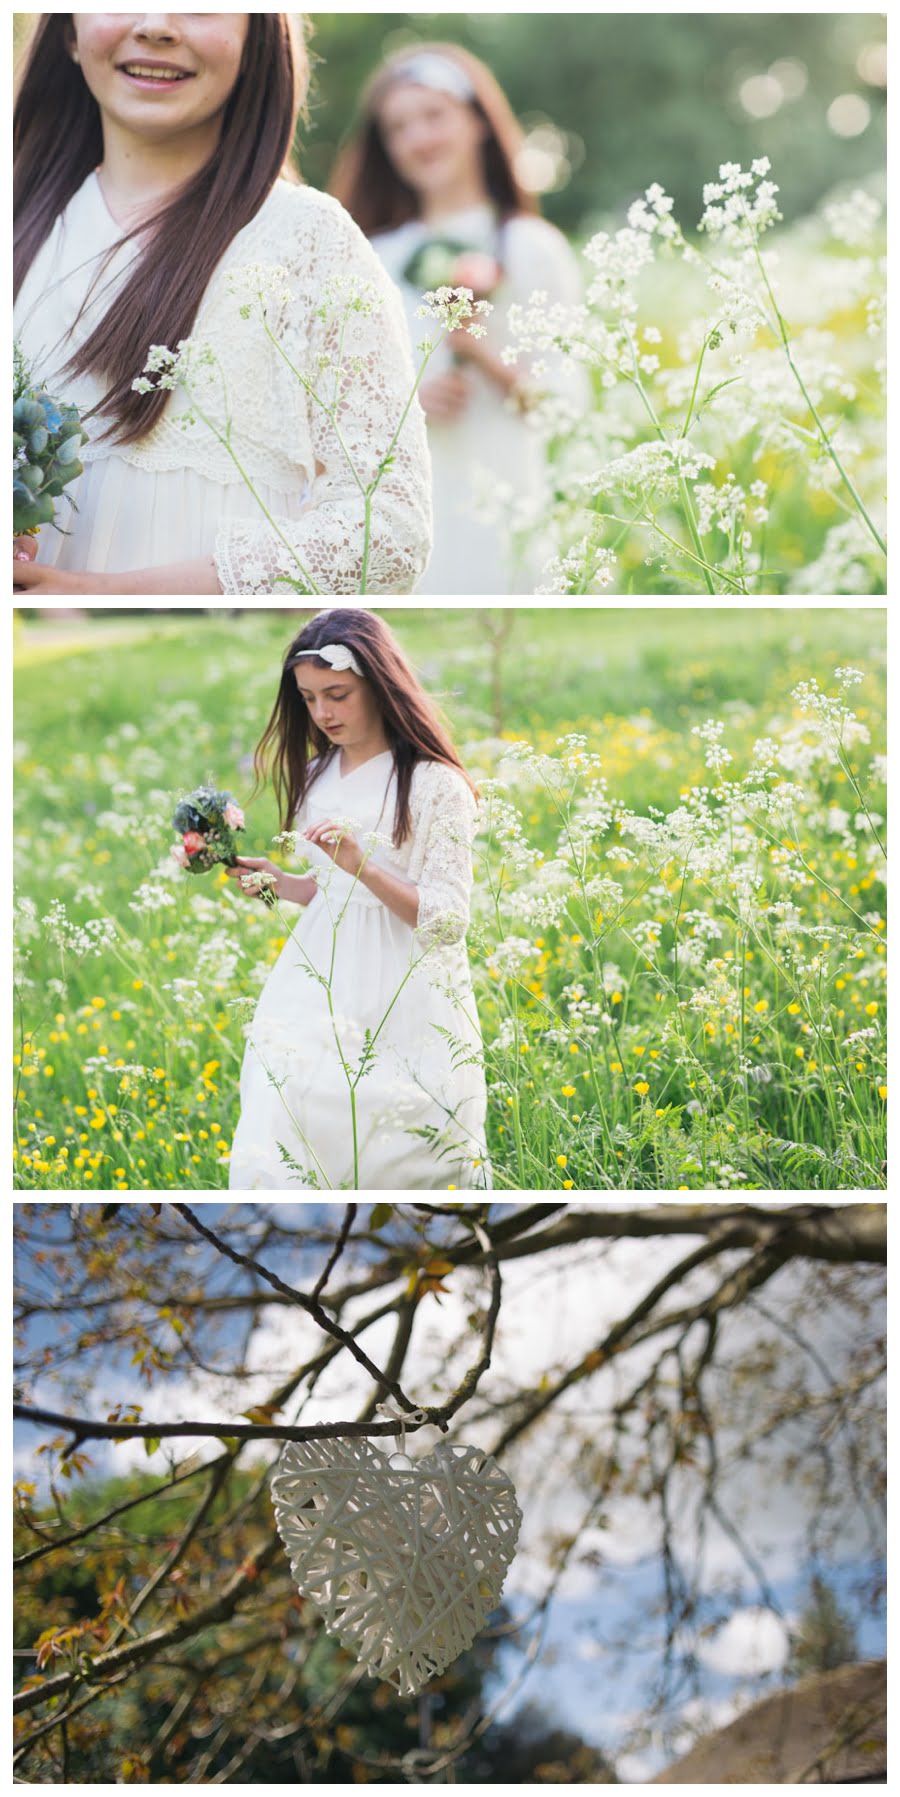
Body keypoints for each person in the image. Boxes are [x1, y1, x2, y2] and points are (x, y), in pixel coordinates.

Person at [13, 13, 431, 596]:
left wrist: (102, 596)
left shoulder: (308, 239)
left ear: (256, 37)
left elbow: (388, 534)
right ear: (67, 30)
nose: (157, 24)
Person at [225, 609, 491, 1191]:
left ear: (379, 683)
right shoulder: (319, 772)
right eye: (309, 698)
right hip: (316, 974)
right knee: (288, 1101)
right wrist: (280, 884)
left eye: (338, 694)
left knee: (400, 1129)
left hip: (405, 985)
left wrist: (362, 865)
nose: (322, 713)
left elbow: (447, 921)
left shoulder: (432, 784)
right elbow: (329, 890)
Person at [330, 41, 585, 595]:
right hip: (404, 519)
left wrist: (481, 354)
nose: (418, 139)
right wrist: (408, 407)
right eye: (398, 128)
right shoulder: (371, 255)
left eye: (433, 116)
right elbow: (334, 405)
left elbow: (568, 408)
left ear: (478, 122)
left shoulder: (530, 247)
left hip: (506, 508)